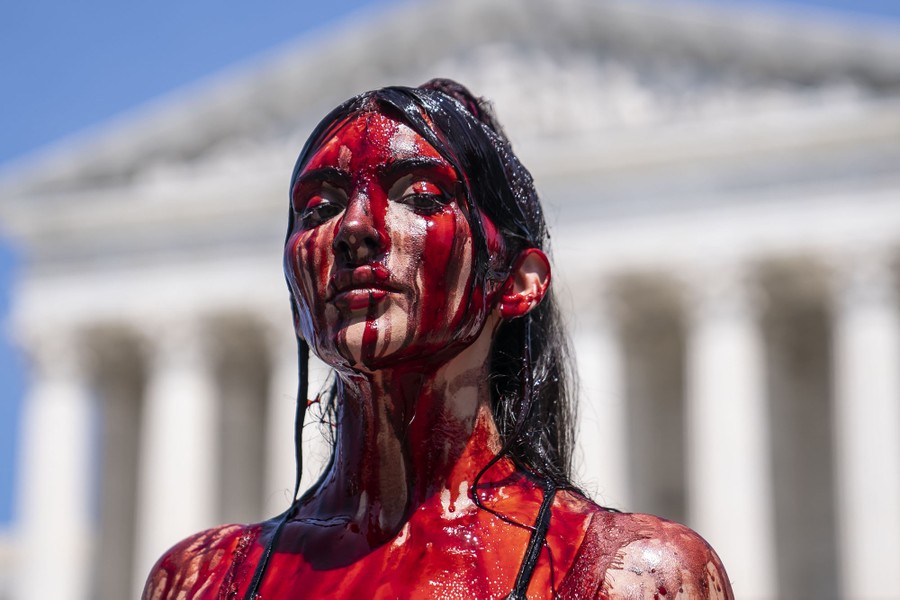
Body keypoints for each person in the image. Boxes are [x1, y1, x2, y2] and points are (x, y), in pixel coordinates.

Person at [143, 79, 733, 599]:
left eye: (421, 197)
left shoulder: (627, 576)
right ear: (296, 301)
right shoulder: (203, 581)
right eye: (317, 207)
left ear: (521, 283)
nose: (354, 229)